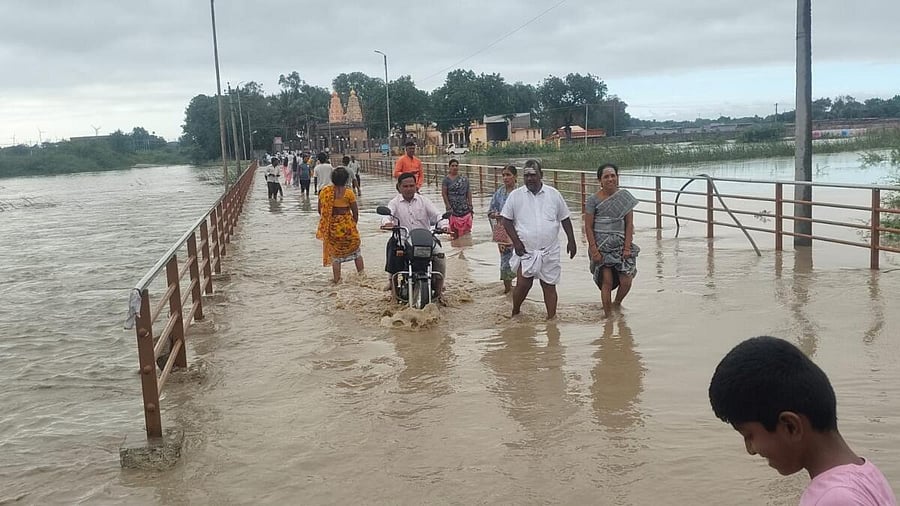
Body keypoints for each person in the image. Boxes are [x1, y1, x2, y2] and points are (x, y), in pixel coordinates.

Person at [709, 336, 896, 506]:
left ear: (790, 426)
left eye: (749, 435)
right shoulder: (865, 474)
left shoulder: (834, 498)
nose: (750, 449)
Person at [500, 159, 577, 319]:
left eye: (533, 175)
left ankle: (552, 321)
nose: (529, 179)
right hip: (525, 250)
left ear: (541, 175)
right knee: (523, 284)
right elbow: (506, 220)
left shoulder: (553, 194)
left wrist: (572, 240)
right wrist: (516, 242)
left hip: (549, 249)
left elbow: (565, 218)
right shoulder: (516, 196)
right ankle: (515, 312)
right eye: (526, 175)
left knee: (549, 285)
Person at [380, 172, 449, 301]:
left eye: (412, 185)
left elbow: (437, 215)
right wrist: (387, 223)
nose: (409, 188)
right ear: (399, 187)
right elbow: (387, 215)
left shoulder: (424, 201)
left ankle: (439, 292)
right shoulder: (394, 203)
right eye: (405, 186)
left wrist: (444, 225)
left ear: (416, 186)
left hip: (425, 240)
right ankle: (393, 290)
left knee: (440, 256)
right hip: (403, 239)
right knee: (393, 253)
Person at [584, 163, 640, 318]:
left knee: (626, 280)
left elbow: (629, 224)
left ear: (617, 177)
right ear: (600, 181)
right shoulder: (592, 200)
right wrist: (594, 250)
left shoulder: (624, 199)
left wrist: (627, 248)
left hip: (621, 245)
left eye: (613, 175)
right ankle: (608, 318)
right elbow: (588, 227)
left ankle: (617, 304)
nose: (610, 179)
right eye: (606, 176)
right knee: (606, 281)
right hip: (601, 246)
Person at [316, 167, 365, 283]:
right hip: (348, 228)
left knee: (336, 257)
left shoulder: (324, 192)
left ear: (332, 179)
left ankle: (337, 280)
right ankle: (362, 278)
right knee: (357, 253)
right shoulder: (349, 193)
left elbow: (320, 210)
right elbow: (355, 212)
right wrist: (352, 225)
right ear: (346, 179)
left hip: (332, 228)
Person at [488, 165, 518, 293]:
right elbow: (490, 212)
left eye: (508, 175)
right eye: (504, 175)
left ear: (515, 177)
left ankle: (520, 290)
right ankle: (508, 291)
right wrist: (495, 214)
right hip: (503, 231)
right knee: (505, 262)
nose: (505, 178)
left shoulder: (521, 192)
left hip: (520, 231)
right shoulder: (499, 193)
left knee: (523, 260)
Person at [441, 159, 473, 239]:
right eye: (452, 166)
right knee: (454, 232)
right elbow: (444, 194)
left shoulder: (464, 179)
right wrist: (448, 206)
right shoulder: (446, 180)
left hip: (464, 208)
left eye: (456, 165)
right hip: (452, 209)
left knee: (466, 232)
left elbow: (468, 191)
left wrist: (470, 204)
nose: (455, 167)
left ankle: (465, 249)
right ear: (449, 167)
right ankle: (456, 247)